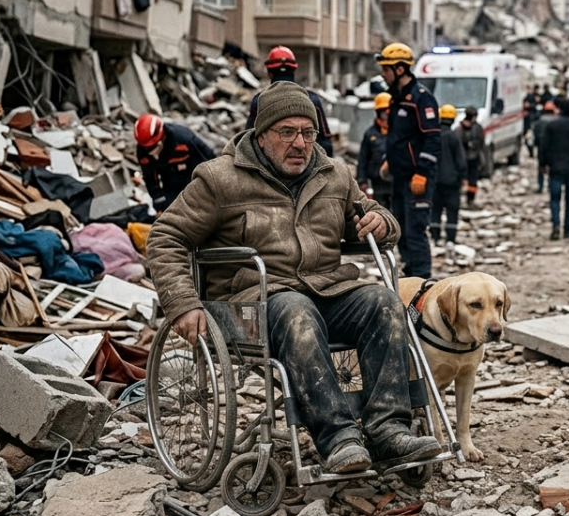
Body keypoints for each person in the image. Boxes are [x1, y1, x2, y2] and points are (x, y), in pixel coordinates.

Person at [147, 82, 442, 475]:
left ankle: (389, 430)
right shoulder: (220, 180)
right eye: (287, 132)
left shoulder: (334, 174)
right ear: (262, 135)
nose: (300, 143)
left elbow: (371, 216)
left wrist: (380, 221)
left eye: (308, 132)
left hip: (325, 289)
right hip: (252, 302)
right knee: (295, 309)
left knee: (383, 302)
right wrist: (182, 303)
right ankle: (338, 438)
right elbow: (166, 236)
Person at [377, 42, 441, 279]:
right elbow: (399, 137)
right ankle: (410, 275)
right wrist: (389, 161)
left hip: (417, 177)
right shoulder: (397, 99)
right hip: (400, 176)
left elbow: (432, 139)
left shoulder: (421, 99)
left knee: (415, 231)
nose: (383, 74)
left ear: (400, 69)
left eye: (386, 69)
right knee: (400, 229)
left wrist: (422, 172)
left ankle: (422, 279)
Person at [248, 46, 334, 157]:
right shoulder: (311, 99)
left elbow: (248, 141)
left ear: (270, 73)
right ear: (294, 70)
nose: (298, 143)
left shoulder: (260, 101)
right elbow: (326, 143)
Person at [134, 115, 217, 214]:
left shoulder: (184, 140)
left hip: (195, 179)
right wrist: (159, 202)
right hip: (171, 184)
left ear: (161, 140)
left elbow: (210, 161)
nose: (149, 152)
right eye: (145, 148)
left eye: (152, 148)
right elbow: (150, 179)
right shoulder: (143, 152)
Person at [539, 99, 569, 240]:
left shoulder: (551, 126)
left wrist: (542, 164)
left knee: (555, 198)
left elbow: (544, 146)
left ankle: (555, 224)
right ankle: (567, 229)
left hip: (555, 167)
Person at [430, 105, 466, 245]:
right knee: (452, 211)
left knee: (435, 210)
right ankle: (450, 238)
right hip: (451, 182)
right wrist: (462, 176)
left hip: (435, 181)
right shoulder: (454, 137)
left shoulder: (433, 136)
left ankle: (435, 237)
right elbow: (461, 160)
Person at [356, 93, 393, 203]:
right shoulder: (370, 134)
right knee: (381, 211)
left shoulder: (399, 132)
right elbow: (363, 158)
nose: (386, 115)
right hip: (378, 182)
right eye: (383, 111)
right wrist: (362, 180)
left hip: (397, 182)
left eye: (388, 111)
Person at [458, 107, 485, 207]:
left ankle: (465, 199)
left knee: (464, 179)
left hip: (463, 158)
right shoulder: (477, 128)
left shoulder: (459, 128)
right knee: (472, 180)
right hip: (473, 158)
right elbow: (481, 143)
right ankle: (470, 199)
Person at [531, 101, 557, 193]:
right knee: (552, 168)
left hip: (541, 147)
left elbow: (534, 135)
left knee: (541, 167)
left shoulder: (539, 122)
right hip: (554, 148)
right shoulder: (556, 121)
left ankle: (541, 186)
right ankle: (551, 186)